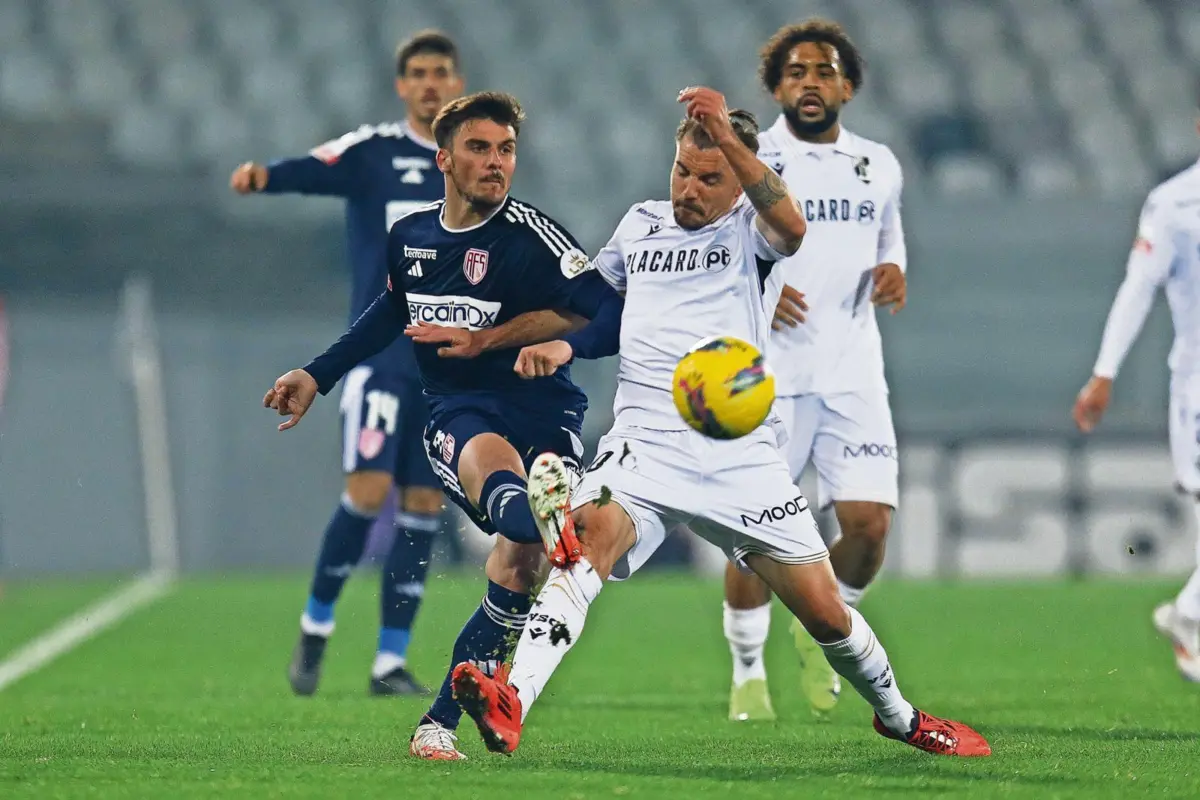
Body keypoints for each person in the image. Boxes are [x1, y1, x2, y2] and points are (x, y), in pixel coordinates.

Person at [449, 87, 991, 758]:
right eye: (683, 170)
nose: (690, 189)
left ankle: (901, 717)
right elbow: (592, 311)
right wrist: (555, 343)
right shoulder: (642, 225)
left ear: (738, 180)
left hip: (740, 459)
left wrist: (731, 142)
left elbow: (792, 226)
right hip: (646, 447)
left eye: (711, 178)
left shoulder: (751, 233)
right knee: (583, 545)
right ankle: (512, 700)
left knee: (825, 614)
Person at [262, 91, 624, 760]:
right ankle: (554, 515)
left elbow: (609, 313)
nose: (495, 163)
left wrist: (496, 338)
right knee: (514, 506)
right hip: (461, 413)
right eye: (479, 149)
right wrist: (318, 374)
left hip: (543, 409)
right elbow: (386, 314)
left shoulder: (534, 238)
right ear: (445, 158)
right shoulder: (413, 237)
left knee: (518, 567)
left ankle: (436, 722)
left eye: (506, 150)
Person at [231, 30, 466, 697]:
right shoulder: (375, 153)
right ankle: (316, 630)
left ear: (455, 82)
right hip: (378, 355)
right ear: (402, 86)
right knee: (367, 494)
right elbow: (316, 168)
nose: (429, 84)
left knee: (423, 506)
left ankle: (389, 663)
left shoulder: (470, 163)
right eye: (417, 73)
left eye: (440, 72)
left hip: (443, 363)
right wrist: (266, 176)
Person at [722, 19, 909, 722]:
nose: (810, 82)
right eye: (796, 72)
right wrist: (759, 295)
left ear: (848, 86)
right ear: (775, 86)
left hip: (855, 369)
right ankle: (746, 674)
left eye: (824, 71)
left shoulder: (879, 163)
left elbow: (888, 234)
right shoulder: (753, 156)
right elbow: (722, 246)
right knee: (755, 536)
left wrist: (894, 268)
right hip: (767, 377)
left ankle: (820, 623)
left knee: (869, 529)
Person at [1073, 103, 1200, 683]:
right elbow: (1138, 288)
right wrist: (1104, 371)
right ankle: (1189, 616)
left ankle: (1188, 614)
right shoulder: (1175, 204)